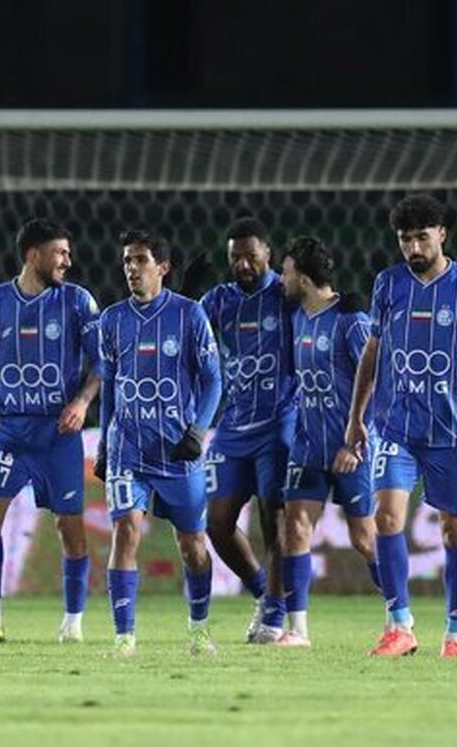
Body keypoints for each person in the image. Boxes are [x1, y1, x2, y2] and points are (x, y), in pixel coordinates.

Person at [337, 194, 457, 659]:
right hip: (395, 425)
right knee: (386, 517)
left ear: (441, 235)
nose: (413, 247)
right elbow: (372, 352)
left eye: (422, 238)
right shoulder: (388, 283)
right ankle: (399, 626)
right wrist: (356, 417)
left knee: (455, 529)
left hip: (452, 429)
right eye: (405, 239)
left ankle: (456, 634)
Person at [0, 219, 102, 643]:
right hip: (10, 433)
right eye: (60, 253)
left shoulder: (77, 301)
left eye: (68, 253)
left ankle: (73, 622)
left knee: (69, 528)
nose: (67, 261)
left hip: (58, 435)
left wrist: (82, 402)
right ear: (34, 255)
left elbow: (102, 363)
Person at [96, 229, 223, 657]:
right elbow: (109, 386)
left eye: (141, 260)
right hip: (128, 449)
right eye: (127, 261)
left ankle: (199, 629)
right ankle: (124, 638)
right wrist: (104, 443)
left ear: (163, 267)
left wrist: (198, 431)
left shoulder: (189, 315)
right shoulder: (112, 320)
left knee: (193, 547)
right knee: (125, 532)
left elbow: (213, 380)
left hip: (176, 450)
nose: (132, 268)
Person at [190, 219, 295, 644]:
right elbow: (185, 331)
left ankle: (274, 614)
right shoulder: (219, 300)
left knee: (275, 519)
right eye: (236, 257)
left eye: (251, 256)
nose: (244, 264)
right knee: (216, 523)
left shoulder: (286, 294)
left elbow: (320, 304)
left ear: (268, 253)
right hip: (233, 426)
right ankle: (263, 593)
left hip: (279, 421)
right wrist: (186, 295)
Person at [274, 236, 380, 647]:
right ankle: (298, 631)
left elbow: (376, 380)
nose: (280, 280)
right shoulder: (297, 318)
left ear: (302, 278)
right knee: (295, 528)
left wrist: (354, 444)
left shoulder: (350, 321)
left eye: (285, 272)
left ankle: (399, 616)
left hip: (350, 448)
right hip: (307, 445)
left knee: (364, 538)